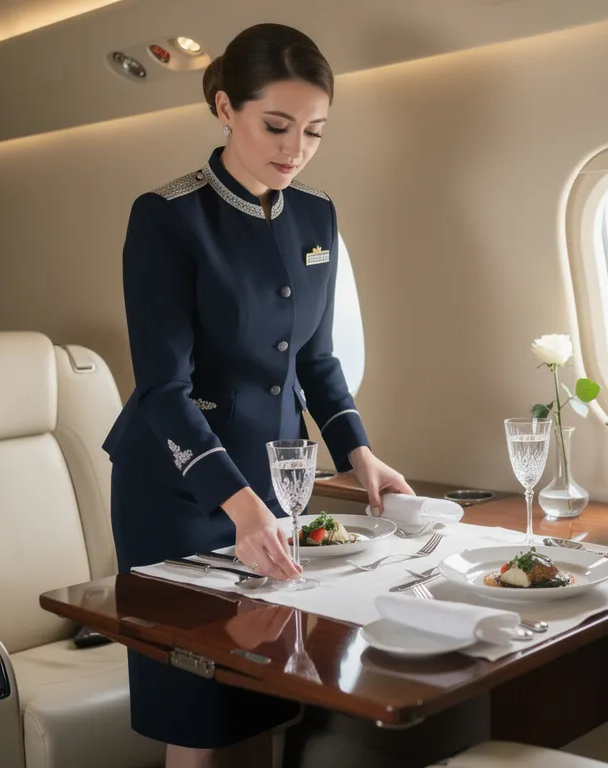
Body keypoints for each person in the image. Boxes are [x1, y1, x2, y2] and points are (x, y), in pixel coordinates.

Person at [101, 22, 414, 768]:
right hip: (179, 493)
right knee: (202, 713)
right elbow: (163, 390)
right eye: (276, 125)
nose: (294, 148)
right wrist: (241, 508)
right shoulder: (168, 218)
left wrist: (359, 455)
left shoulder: (316, 217)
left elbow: (316, 357)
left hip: (274, 489)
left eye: (313, 131)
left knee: (268, 694)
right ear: (223, 108)